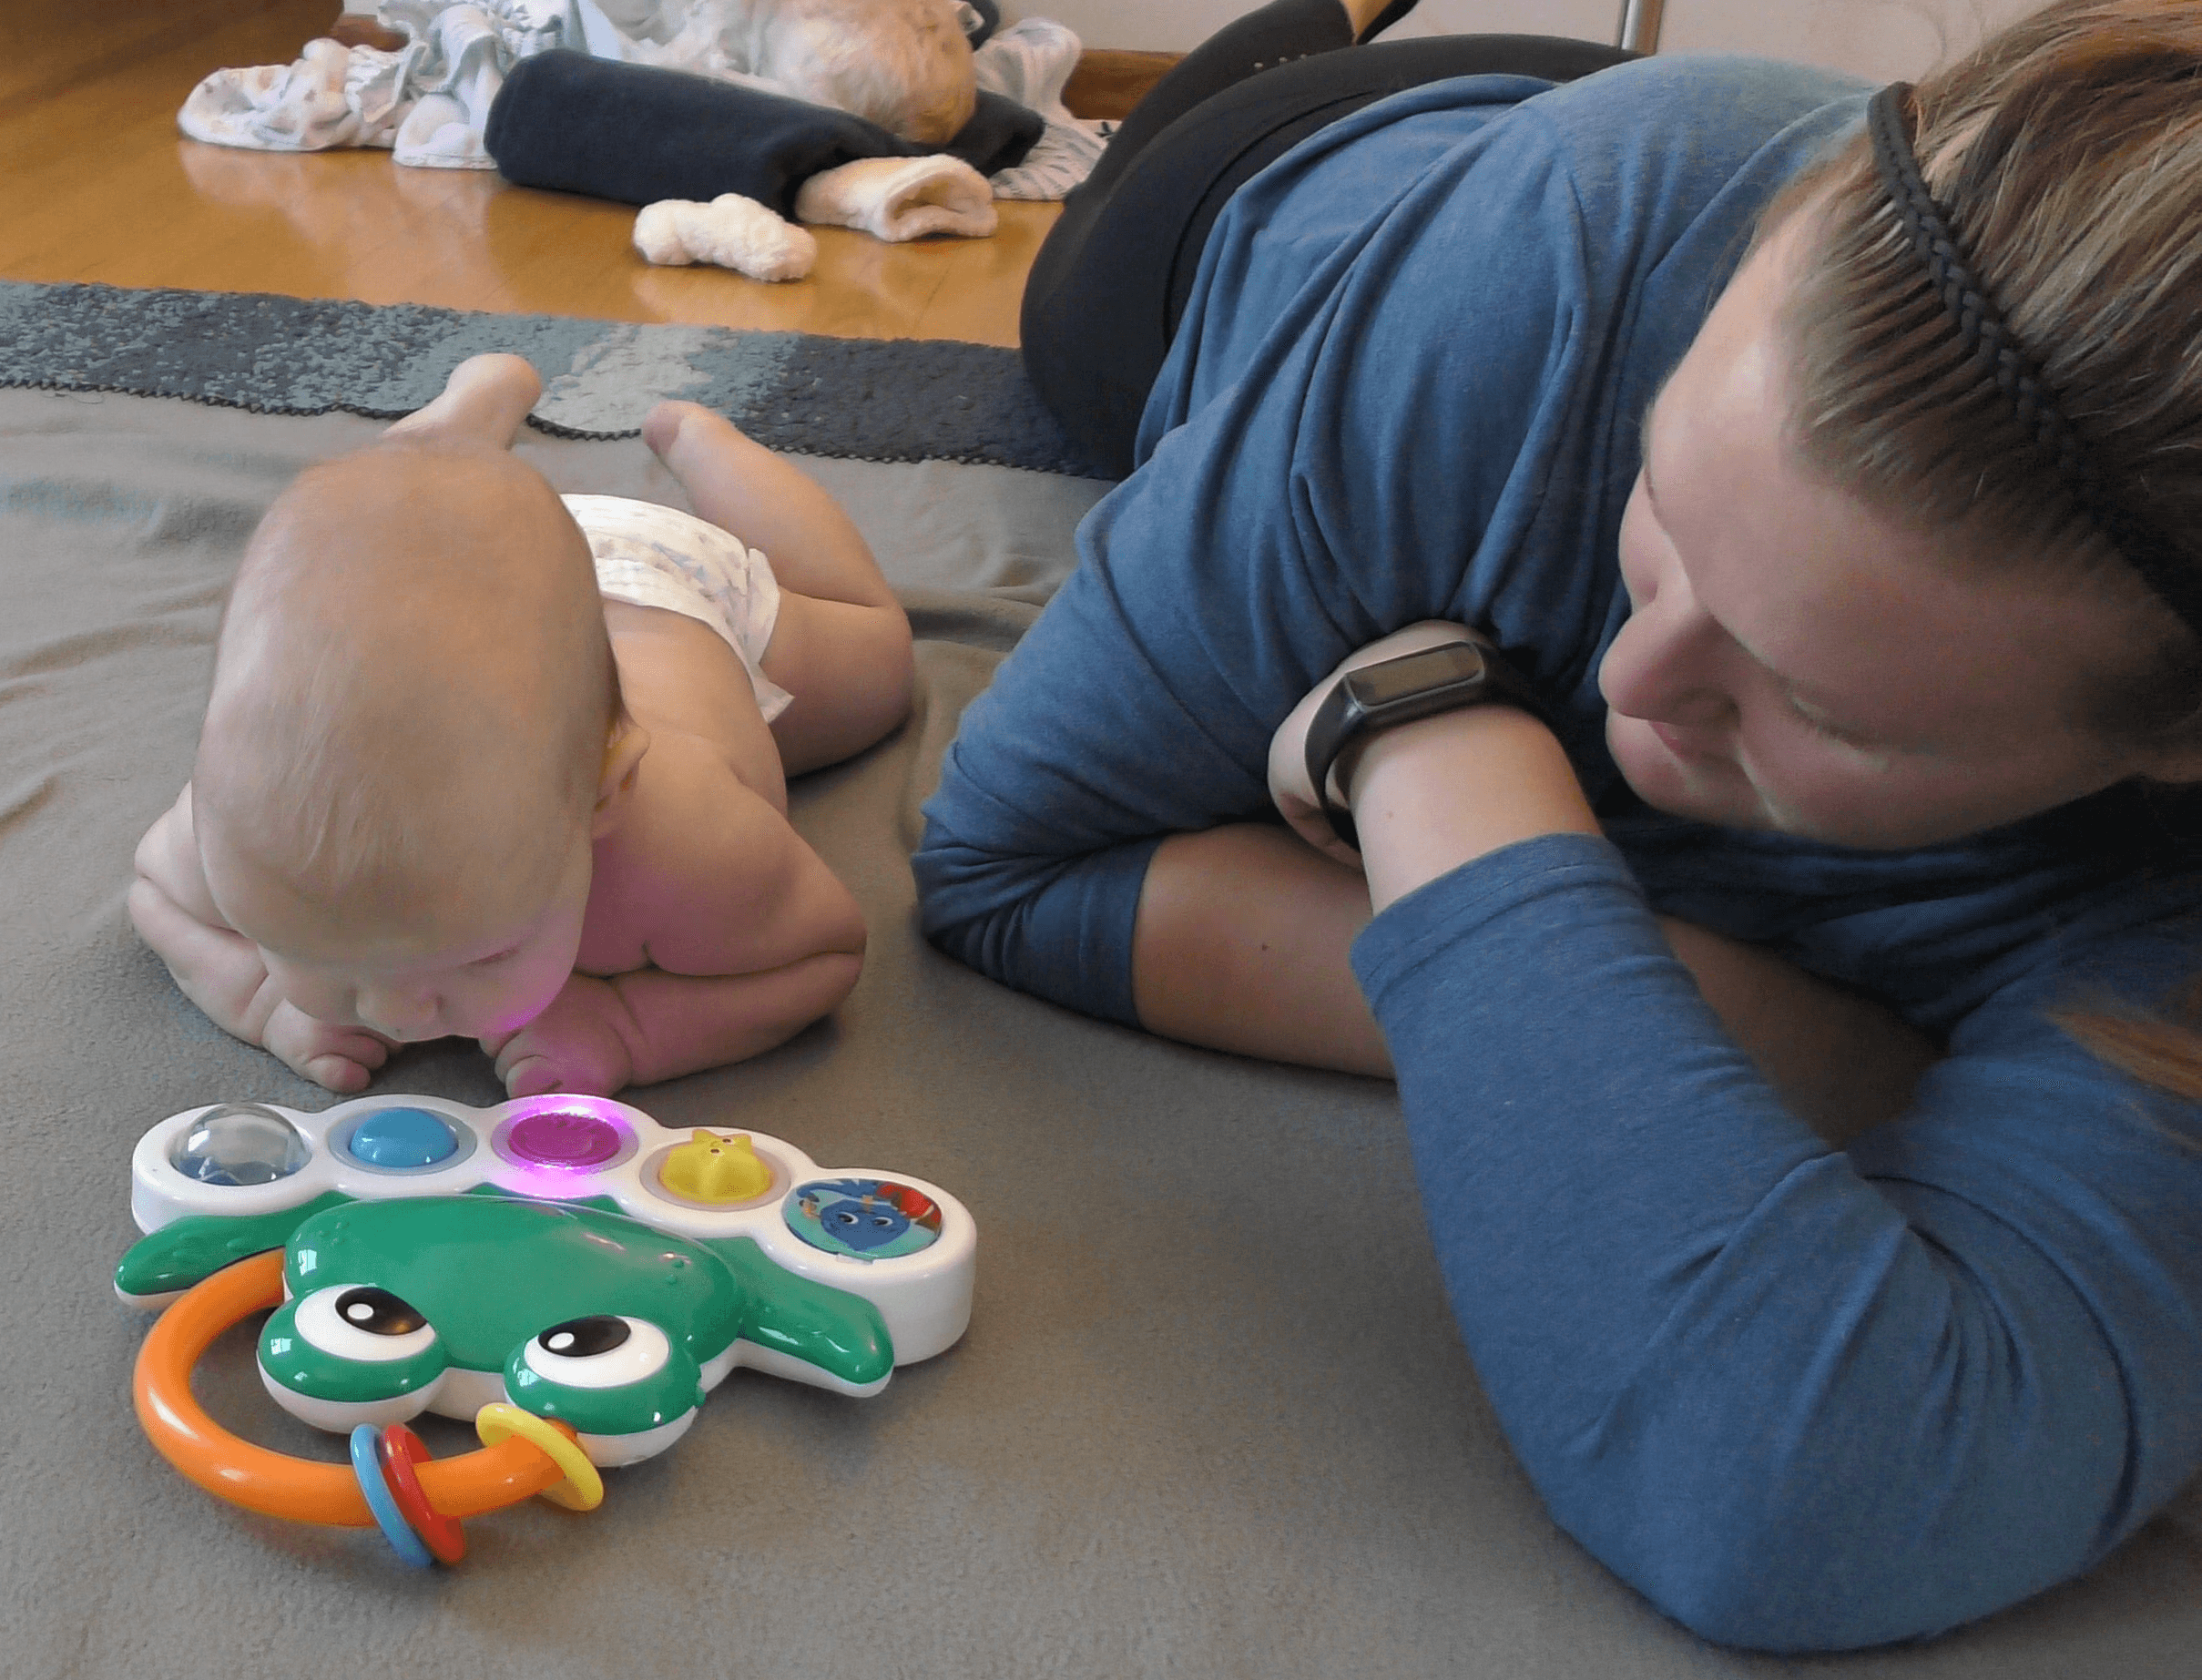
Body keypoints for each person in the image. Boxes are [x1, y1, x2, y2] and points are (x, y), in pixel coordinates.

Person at [916, 0, 2202, 1653]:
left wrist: (1429, 747)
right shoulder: (1552, 277)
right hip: (1294, 178)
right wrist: (1464, 749)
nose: (1623, 679)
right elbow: (1002, 868)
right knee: (1157, 223)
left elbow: (1795, 1489)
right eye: (1661, 503)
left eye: (1821, 708)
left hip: (1617, 197)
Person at [131, 352, 912, 1098]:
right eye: (305, 951)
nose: (398, 1014)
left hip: (673, 587)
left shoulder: (684, 846)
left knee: (875, 655)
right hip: (451, 563)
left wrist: (631, 1027)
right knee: (369, 533)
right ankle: (459, 430)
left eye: (487, 954)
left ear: (606, 794)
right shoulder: (239, 835)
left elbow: (823, 953)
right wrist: (260, 997)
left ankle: (705, 440)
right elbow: (155, 899)